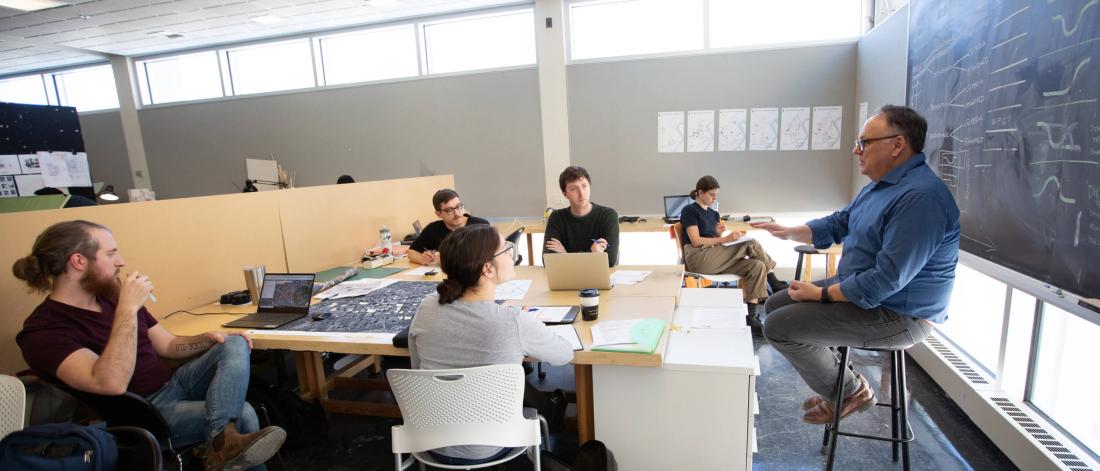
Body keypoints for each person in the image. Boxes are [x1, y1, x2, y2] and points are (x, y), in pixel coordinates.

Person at [13, 220, 286, 470]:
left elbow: (168, 346)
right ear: (78, 261)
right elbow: (111, 383)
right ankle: (223, 439)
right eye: (110, 254)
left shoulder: (110, 297)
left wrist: (205, 339)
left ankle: (220, 440)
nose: (120, 262)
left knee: (234, 342)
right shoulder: (44, 331)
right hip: (144, 414)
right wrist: (127, 309)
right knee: (245, 413)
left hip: (175, 383)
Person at [752, 105, 960, 424]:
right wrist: (791, 231)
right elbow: (842, 221)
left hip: (900, 313)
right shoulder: (883, 185)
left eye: (864, 142)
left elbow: (884, 282)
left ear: (897, 144)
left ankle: (849, 390)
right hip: (867, 294)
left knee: (779, 327)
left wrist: (821, 295)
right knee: (777, 302)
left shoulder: (920, 199)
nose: (856, 150)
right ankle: (838, 378)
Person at [408, 224, 573, 465]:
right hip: (493, 445)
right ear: (487, 269)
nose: (511, 252)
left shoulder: (427, 307)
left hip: (431, 441)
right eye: (506, 249)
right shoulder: (512, 321)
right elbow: (564, 354)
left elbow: (417, 366)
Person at [679, 175, 788, 331]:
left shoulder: (713, 214)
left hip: (714, 257)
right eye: (711, 195)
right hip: (698, 258)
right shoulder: (689, 210)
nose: (714, 198)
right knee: (750, 242)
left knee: (756, 266)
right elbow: (696, 241)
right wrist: (724, 240)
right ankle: (774, 282)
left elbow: (714, 241)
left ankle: (750, 318)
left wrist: (717, 234)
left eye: (716, 195)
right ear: (700, 192)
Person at [544, 166, 620, 267]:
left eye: (584, 186)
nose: (581, 193)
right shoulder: (556, 218)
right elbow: (548, 260)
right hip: (567, 278)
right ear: (565, 194)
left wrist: (564, 254)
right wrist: (592, 254)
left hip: (597, 277)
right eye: (574, 189)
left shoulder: (608, 216)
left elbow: (610, 260)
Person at [408, 189, 490, 265]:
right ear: (439, 214)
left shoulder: (480, 225)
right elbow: (411, 252)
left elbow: (490, 254)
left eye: (458, 207)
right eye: (449, 210)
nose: (457, 214)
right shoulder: (432, 229)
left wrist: (445, 259)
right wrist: (423, 259)